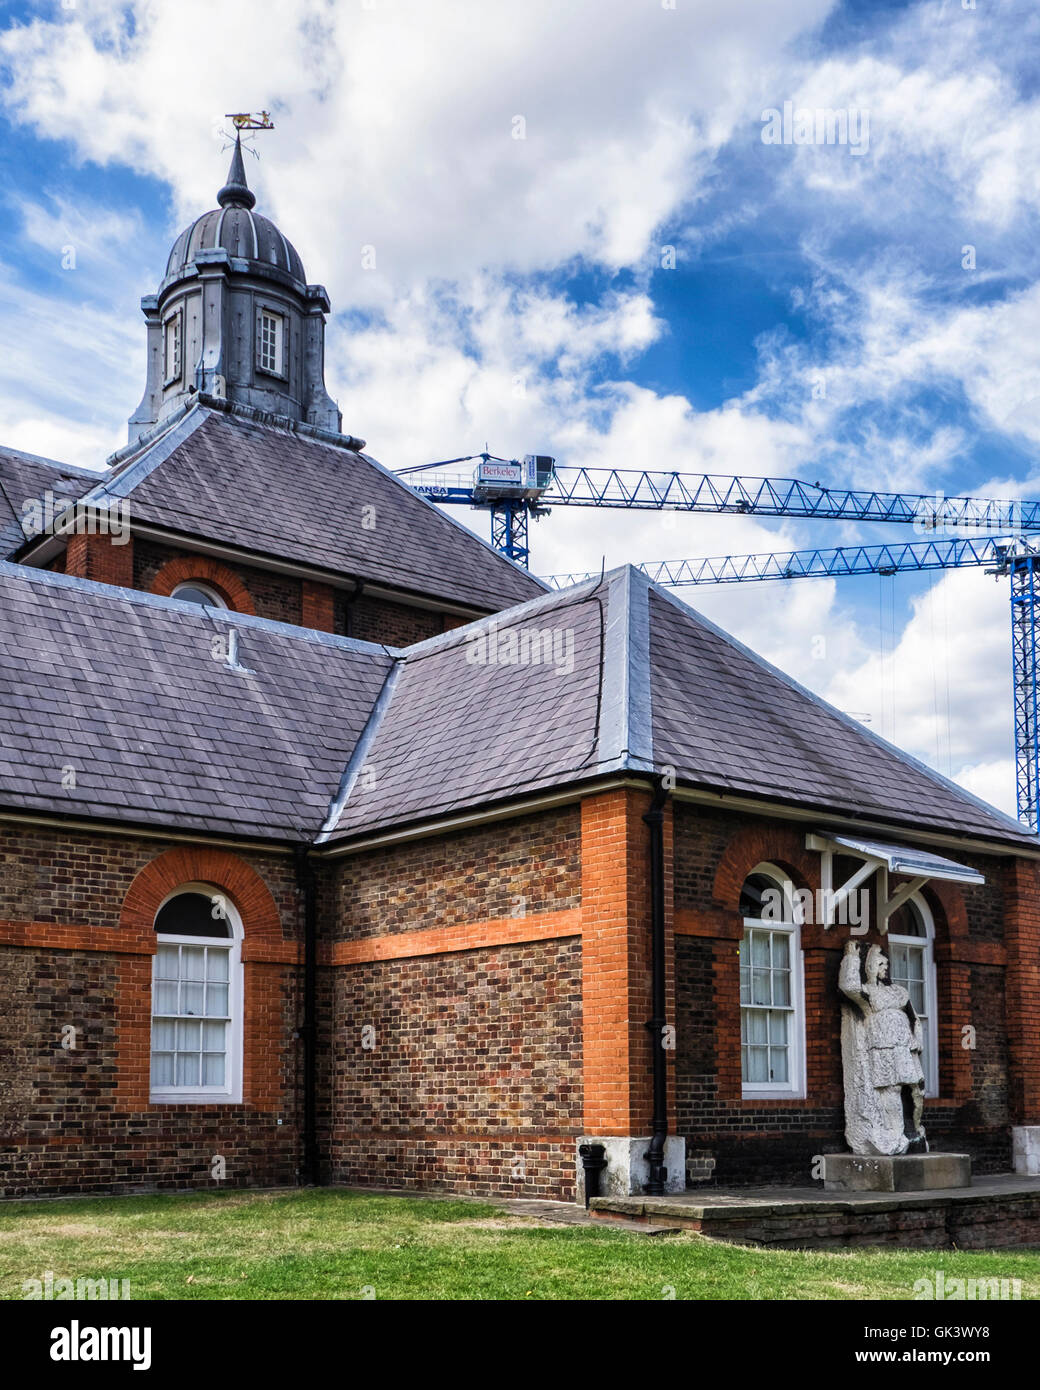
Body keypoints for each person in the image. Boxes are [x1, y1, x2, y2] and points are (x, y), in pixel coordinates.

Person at [839, 940, 926, 1156]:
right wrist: (852, 957)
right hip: (881, 1047)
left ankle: (916, 1128)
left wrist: (917, 1041)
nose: (884, 969)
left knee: (917, 1089)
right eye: (880, 965)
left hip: (904, 1047)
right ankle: (895, 1133)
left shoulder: (899, 991)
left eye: (886, 965)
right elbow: (848, 987)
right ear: (871, 968)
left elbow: (914, 1018)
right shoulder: (868, 992)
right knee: (891, 1090)